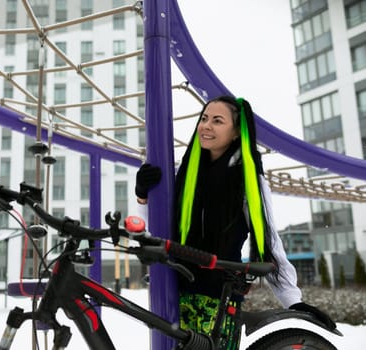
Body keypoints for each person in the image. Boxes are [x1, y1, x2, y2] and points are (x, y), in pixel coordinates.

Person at [134, 95, 335, 349]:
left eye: (217, 121)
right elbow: (156, 228)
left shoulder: (247, 180)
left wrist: (292, 299)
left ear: (236, 133)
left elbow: (268, 239)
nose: (206, 126)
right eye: (204, 119)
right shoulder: (183, 173)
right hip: (174, 291)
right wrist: (144, 194)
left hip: (217, 297)